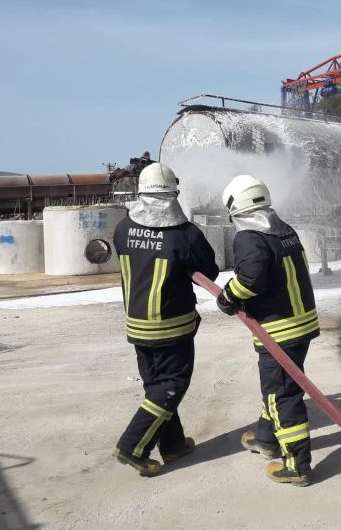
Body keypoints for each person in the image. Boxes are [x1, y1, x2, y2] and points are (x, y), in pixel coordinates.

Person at [112, 162, 219, 476]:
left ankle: (172, 446)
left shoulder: (122, 228)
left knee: (156, 386)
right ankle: (132, 446)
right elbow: (209, 271)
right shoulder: (184, 235)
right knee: (170, 386)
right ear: (174, 193)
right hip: (172, 326)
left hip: (136, 325)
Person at [216, 175, 319, 487]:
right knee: (277, 389)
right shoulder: (283, 229)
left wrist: (227, 297)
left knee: (283, 396)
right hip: (301, 325)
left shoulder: (249, 237)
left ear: (236, 207)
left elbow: (250, 279)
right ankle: (266, 439)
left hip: (279, 330)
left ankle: (296, 465)